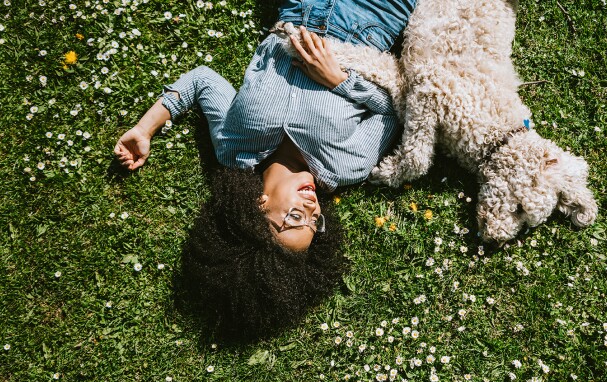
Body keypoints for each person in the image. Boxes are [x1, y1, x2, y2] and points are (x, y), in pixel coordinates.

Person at [114, 0, 417, 339]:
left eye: (294, 219)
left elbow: (202, 82)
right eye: (315, 223)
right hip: (372, 17)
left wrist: (144, 129)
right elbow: (393, 110)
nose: (311, 209)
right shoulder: (346, 167)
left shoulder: (234, 147)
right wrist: (339, 80)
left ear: (256, 210)